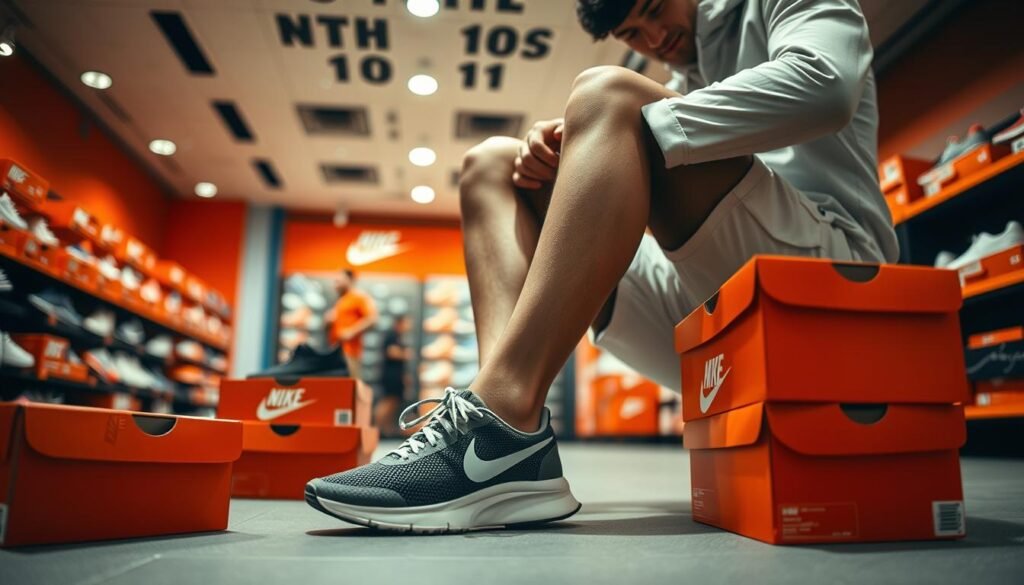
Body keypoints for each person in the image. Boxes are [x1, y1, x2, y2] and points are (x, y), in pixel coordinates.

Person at [305, 0, 899, 532]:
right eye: (630, 32)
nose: (651, 36)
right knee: (494, 162)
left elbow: (829, 87)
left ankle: (499, 417)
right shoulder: (681, 76)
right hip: (714, 317)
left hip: (830, 281)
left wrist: (633, 123)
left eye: (654, 9)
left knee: (609, 92)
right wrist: (569, 153)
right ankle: (502, 435)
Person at [326, 269, 377, 381]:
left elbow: (372, 318)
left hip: (350, 351)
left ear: (350, 279)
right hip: (336, 350)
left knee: (351, 386)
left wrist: (351, 331)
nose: (336, 284)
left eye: (339, 280)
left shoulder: (359, 297)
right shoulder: (341, 300)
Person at [376, 314, 412, 437]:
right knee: (388, 401)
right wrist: (405, 354)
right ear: (400, 322)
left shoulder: (398, 336)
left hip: (396, 375)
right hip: (391, 375)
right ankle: (378, 428)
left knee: (394, 401)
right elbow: (391, 352)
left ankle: (387, 429)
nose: (408, 326)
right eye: (406, 322)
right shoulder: (391, 334)